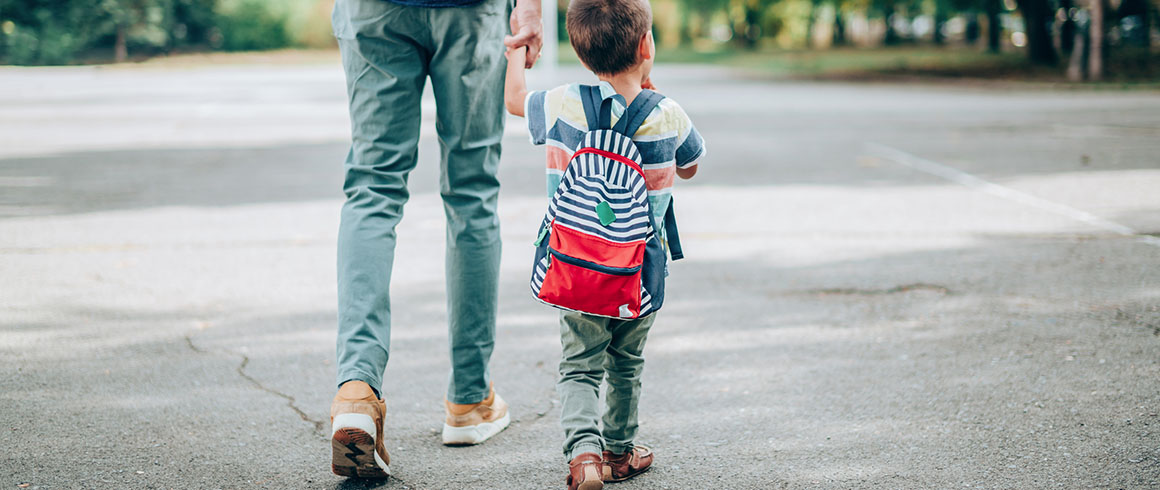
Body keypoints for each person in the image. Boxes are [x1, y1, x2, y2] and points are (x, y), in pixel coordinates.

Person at [327, 0, 543, 479]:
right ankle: (469, 399)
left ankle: (357, 391)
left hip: (374, 12)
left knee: (373, 188)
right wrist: (528, 11)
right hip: (471, 14)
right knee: (472, 194)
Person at [503, 0, 705, 486]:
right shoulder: (669, 114)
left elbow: (513, 102)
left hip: (573, 269)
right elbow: (691, 165)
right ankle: (618, 452)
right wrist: (655, 106)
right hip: (638, 275)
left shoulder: (563, 102)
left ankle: (584, 456)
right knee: (626, 365)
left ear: (580, 50)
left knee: (579, 365)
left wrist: (515, 51)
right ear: (646, 45)